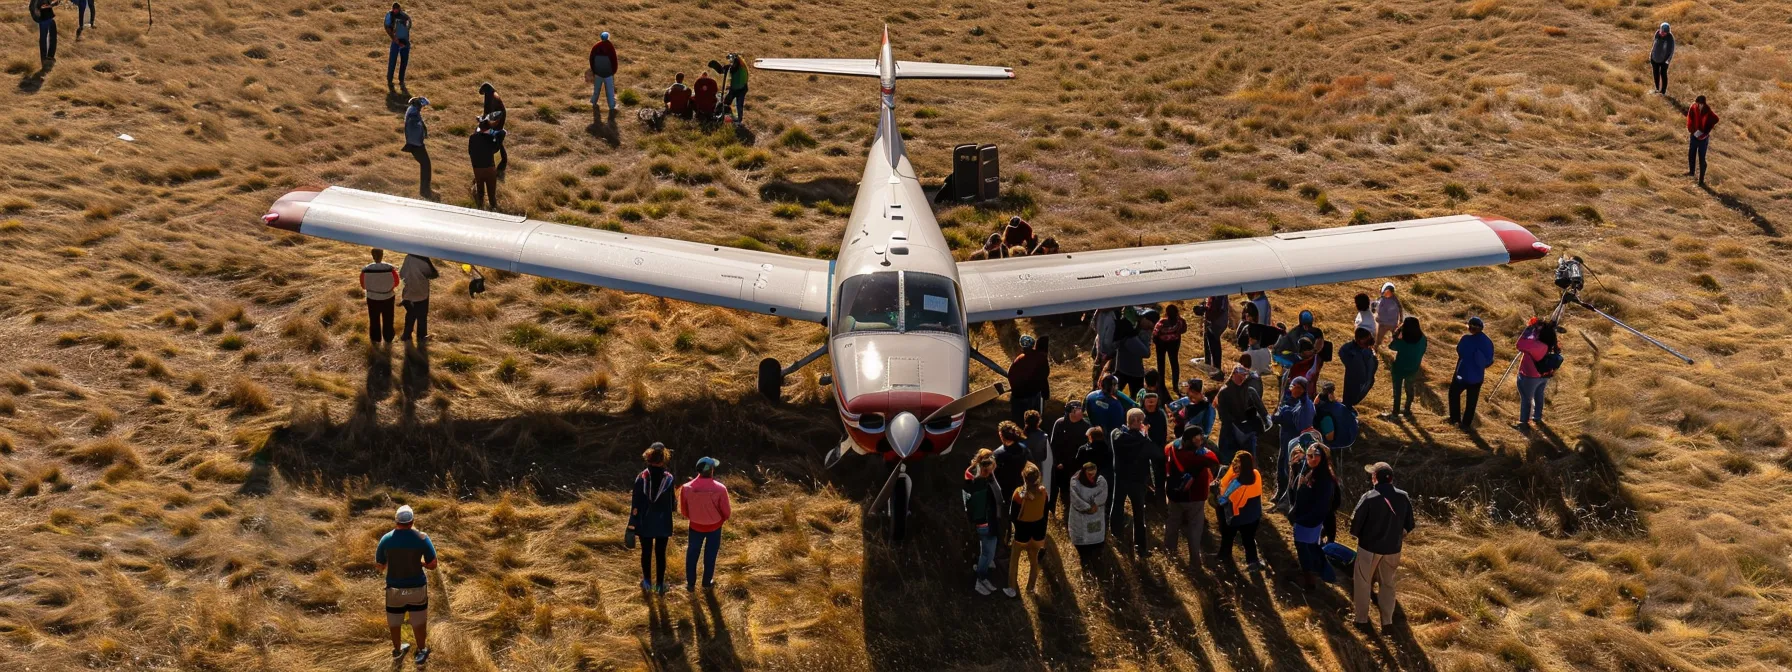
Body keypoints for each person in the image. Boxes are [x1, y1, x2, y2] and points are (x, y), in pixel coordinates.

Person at [1352, 462, 1415, 630]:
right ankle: (1387, 622)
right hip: (1393, 549)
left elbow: (1355, 524)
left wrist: (1360, 536)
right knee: (1387, 584)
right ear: (1392, 479)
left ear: (1374, 478)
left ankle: (1361, 620)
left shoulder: (1369, 497)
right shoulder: (1403, 496)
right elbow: (1409, 525)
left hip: (1369, 548)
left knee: (1363, 583)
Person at [377, 505, 437, 664]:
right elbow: (433, 564)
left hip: (394, 590)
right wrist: (422, 564)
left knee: (395, 622)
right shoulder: (422, 538)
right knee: (418, 621)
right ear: (412, 521)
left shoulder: (386, 539)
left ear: (396, 521)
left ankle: (398, 651)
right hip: (417, 588)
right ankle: (421, 652)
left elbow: (380, 565)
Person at [1165, 427, 1219, 567]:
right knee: (1195, 528)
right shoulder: (1200, 456)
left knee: (1172, 524)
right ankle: (1194, 560)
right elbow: (1214, 459)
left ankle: (1170, 555)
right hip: (1195, 497)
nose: (1200, 441)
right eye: (1198, 439)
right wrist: (1204, 450)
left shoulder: (1171, 447)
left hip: (1174, 494)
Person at [629, 443, 677, 593]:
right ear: (664, 459)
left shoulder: (641, 477)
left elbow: (635, 503)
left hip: (644, 522)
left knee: (646, 552)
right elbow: (673, 504)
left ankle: (647, 583)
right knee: (661, 554)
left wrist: (632, 523)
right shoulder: (668, 478)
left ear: (648, 458)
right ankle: (660, 585)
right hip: (663, 521)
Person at [679, 456, 731, 591]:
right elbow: (727, 512)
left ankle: (690, 584)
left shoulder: (686, 488)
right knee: (710, 554)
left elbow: (684, 511)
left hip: (695, 526)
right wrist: (720, 520)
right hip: (715, 527)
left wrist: (695, 517)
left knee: (692, 553)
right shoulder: (720, 489)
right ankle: (707, 582)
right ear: (712, 470)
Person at [1290, 444, 1338, 590]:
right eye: (1308, 455)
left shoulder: (1325, 479)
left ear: (1322, 457)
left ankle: (1309, 583)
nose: (1310, 459)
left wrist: (1303, 520)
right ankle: (1319, 574)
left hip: (1309, 521)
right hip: (1306, 519)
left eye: (1314, 455)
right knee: (1309, 548)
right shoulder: (1313, 472)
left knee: (1304, 549)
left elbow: (1322, 506)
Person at [1110, 408, 1155, 557]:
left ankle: (1116, 538)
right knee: (1138, 514)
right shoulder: (1143, 441)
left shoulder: (1115, 436)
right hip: (1137, 481)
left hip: (1121, 478)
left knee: (1117, 508)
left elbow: (1119, 433)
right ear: (1139, 423)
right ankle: (1141, 548)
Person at [1215, 451, 1264, 572]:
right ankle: (1253, 562)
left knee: (1227, 537)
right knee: (1249, 540)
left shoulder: (1236, 483)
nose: (1233, 464)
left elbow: (1222, 500)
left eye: (1236, 462)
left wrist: (1216, 490)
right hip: (1253, 517)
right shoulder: (1256, 475)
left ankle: (1224, 556)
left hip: (1236, 517)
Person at [962, 449, 1003, 595]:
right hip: (987, 524)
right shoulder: (987, 486)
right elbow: (999, 500)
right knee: (988, 553)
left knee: (984, 549)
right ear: (987, 469)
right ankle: (981, 579)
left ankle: (981, 567)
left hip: (977, 521)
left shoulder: (971, 475)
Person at [1006, 463, 1049, 597]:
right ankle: (1030, 588)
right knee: (1034, 561)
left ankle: (1012, 588)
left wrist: (1008, 534)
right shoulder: (1043, 492)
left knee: (1014, 562)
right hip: (1037, 535)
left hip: (1021, 535)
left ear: (1024, 478)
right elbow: (1045, 514)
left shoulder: (1018, 495)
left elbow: (1012, 517)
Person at [1448, 316, 1495, 430]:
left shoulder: (1465, 339)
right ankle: (1466, 424)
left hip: (1462, 375)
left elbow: (1460, 351)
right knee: (1471, 402)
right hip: (1477, 377)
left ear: (1469, 327)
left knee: (1453, 394)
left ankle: (1455, 420)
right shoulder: (1488, 342)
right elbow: (1489, 361)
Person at [1047, 401, 1092, 517]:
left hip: (1073, 467)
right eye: (1079, 409)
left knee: (1069, 493)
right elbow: (1053, 444)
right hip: (1057, 465)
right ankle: (1050, 513)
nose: (1082, 411)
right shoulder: (1060, 423)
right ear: (1071, 411)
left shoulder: (1085, 427)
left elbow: (1083, 451)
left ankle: (1068, 515)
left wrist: (1067, 464)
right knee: (1053, 489)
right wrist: (1056, 462)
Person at [1514, 319, 1560, 431]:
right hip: (1544, 376)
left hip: (1530, 376)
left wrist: (1530, 328)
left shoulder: (1536, 345)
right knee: (1539, 395)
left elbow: (1519, 344)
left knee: (1526, 398)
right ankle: (1537, 417)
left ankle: (1524, 422)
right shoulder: (1551, 345)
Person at [1215, 365, 1266, 464]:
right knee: (1227, 461)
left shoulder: (1243, 389)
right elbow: (1223, 415)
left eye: (1244, 376)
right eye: (1240, 375)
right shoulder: (1225, 391)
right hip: (1229, 431)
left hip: (1242, 430)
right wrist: (1236, 425)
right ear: (1233, 374)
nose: (1242, 378)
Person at [1273, 376, 1315, 493]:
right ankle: (1280, 492)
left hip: (1294, 444)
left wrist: (1281, 417)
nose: (1291, 389)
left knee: (1289, 469)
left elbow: (1299, 425)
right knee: (1281, 466)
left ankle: (1287, 496)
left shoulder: (1305, 406)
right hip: (1285, 440)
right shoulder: (1291, 400)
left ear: (1301, 389)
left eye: (1293, 387)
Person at [1067, 462, 1109, 566]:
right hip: (1080, 519)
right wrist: (1087, 507)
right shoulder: (1075, 482)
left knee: (1096, 544)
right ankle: (1084, 563)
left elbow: (1103, 493)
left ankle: (1097, 563)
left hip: (1095, 518)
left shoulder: (1101, 481)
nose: (1092, 477)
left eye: (1094, 474)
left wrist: (1096, 503)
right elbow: (1075, 499)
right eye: (1089, 475)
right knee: (1083, 545)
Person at [1386, 317, 1427, 418]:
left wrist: (1397, 337)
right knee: (1409, 389)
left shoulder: (1402, 342)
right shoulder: (1423, 339)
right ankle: (1407, 410)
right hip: (1413, 369)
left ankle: (1395, 412)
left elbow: (1391, 346)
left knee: (1397, 391)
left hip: (1399, 368)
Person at [1007, 334, 1049, 424]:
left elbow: (1010, 374)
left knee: (1017, 422)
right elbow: (1043, 377)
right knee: (1033, 421)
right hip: (1032, 395)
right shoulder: (1040, 358)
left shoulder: (1019, 359)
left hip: (1017, 395)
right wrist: (1045, 393)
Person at [361, 249, 399, 346]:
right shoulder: (390, 268)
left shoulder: (366, 269)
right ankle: (388, 338)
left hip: (372, 298)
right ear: (382, 255)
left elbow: (363, 285)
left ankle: (375, 339)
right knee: (388, 319)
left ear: (372, 256)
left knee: (374, 319)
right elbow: (396, 282)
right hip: (388, 297)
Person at [1082, 375, 1137, 440]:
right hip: (1110, 437)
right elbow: (1119, 424)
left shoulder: (1090, 396)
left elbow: (1088, 412)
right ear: (1113, 387)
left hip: (1094, 433)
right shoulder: (1116, 405)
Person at [397, 254, 436, 343]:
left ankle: (406, 335)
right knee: (422, 316)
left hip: (409, 293)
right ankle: (421, 337)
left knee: (410, 314)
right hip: (422, 293)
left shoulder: (408, 257)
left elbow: (402, 274)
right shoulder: (424, 258)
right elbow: (433, 274)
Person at [468, 116, 504, 211]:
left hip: (477, 169)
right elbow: (496, 150)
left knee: (480, 192)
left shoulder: (472, 137)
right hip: (489, 168)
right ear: (489, 129)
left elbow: (470, 151)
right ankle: (493, 209)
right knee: (491, 194)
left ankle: (480, 209)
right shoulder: (491, 138)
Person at [1314, 381, 1358, 454]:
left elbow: (1329, 438)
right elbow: (1354, 414)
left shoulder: (1324, 414)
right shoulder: (1340, 406)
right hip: (1352, 436)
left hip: (1341, 442)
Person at [1115, 312, 1153, 397]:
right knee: (1136, 399)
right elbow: (1146, 353)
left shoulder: (1128, 334)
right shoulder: (1130, 338)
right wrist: (1146, 334)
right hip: (1130, 372)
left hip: (1124, 369)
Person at [402, 97, 433, 200]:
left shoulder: (412, 110)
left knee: (425, 165)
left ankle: (425, 189)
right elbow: (414, 124)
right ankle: (425, 190)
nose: (422, 108)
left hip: (416, 143)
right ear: (418, 105)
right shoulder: (413, 113)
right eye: (422, 106)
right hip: (416, 144)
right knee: (426, 165)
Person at [1338, 327, 1378, 408]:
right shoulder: (1355, 350)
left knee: (1350, 400)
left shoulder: (1367, 355)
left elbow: (1369, 376)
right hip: (1355, 379)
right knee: (1348, 400)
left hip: (1359, 381)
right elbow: (1341, 351)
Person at [1154, 305, 1188, 389]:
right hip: (1174, 343)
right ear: (1177, 313)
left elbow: (1155, 333)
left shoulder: (1162, 322)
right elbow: (1184, 329)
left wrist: (1157, 342)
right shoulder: (1179, 321)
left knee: (1161, 364)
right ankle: (1175, 385)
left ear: (1167, 313)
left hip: (1161, 344)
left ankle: (1161, 384)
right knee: (1174, 363)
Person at [1687, 95, 1718, 185]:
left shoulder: (1707, 110)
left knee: (1702, 158)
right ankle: (1691, 172)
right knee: (1691, 154)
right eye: (1698, 104)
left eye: (1701, 104)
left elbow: (1715, 119)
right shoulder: (1693, 107)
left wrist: (1706, 132)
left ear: (1704, 104)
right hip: (1694, 135)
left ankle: (1701, 180)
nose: (1699, 106)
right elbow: (1690, 119)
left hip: (1703, 138)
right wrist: (1693, 131)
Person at [480, 83, 508, 173]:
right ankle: (502, 162)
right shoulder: (493, 94)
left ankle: (494, 164)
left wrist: (483, 120)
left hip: (496, 122)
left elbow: (487, 111)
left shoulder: (489, 96)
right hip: (498, 120)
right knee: (498, 141)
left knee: (493, 142)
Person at [589, 31, 619, 112]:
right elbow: (614, 60)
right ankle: (611, 106)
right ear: (608, 37)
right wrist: (613, 71)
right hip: (608, 74)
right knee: (610, 91)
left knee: (596, 89)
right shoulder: (610, 47)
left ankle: (594, 102)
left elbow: (591, 59)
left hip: (598, 73)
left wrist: (594, 70)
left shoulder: (596, 46)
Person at [383, 3, 412, 88]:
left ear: (399, 9)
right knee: (392, 61)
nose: (395, 10)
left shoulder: (405, 16)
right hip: (395, 42)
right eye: (394, 9)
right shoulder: (389, 15)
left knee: (404, 62)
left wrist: (403, 36)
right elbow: (386, 26)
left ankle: (401, 80)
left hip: (404, 41)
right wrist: (394, 38)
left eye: (396, 9)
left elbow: (409, 25)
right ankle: (389, 80)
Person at [1089, 308, 1119, 388]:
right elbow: (1094, 327)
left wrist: (1105, 356)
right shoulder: (1099, 313)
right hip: (1100, 350)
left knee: (1106, 379)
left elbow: (1108, 342)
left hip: (1108, 355)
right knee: (1097, 377)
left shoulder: (1112, 318)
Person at [1201, 295, 1230, 374]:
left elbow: (1219, 309)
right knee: (1209, 344)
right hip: (1212, 320)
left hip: (1216, 322)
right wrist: (1204, 308)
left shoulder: (1221, 293)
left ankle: (1216, 370)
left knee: (1214, 344)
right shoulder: (1214, 292)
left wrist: (1206, 310)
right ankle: (1210, 368)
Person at [1372, 283, 1403, 348]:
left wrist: (1401, 320)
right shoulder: (1385, 298)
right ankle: (1376, 348)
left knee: (1380, 340)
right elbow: (1375, 308)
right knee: (1378, 341)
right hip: (1387, 323)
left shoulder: (1392, 299)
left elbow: (1400, 308)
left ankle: (1378, 348)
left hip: (1388, 324)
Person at [720, 53, 749, 123]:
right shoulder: (740, 63)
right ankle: (724, 115)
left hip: (741, 89)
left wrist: (728, 67)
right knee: (727, 102)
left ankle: (739, 120)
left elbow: (733, 69)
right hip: (735, 88)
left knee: (739, 105)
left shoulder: (739, 66)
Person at [1650, 23, 1675, 96]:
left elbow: (1672, 50)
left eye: (1665, 33)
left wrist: (1667, 61)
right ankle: (1657, 89)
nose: (1663, 34)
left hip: (1664, 60)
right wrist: (1651, 55)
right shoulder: (1657, 33)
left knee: (1663, 74)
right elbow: (1654, 44)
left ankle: (1663, 92)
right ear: (1660, 29)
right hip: (1654, 58)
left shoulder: (1670, 38)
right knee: (1655, 73)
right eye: (1662, 32)